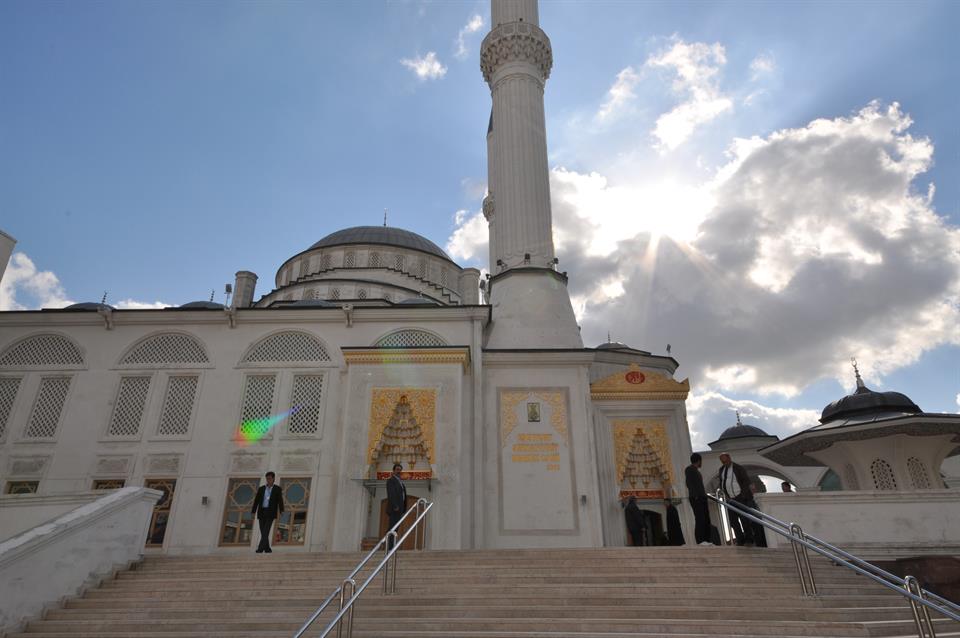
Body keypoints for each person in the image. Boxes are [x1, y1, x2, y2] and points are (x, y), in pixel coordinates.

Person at [717, 453, 755, 546]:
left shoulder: (738, 468)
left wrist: (743, 495)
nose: (724, 463)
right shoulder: (721, 470)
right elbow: (722, 482)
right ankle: (740, 539)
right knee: (733, 521)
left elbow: (746, 481)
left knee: (744, 519)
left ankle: (749, 540)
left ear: (729, 458)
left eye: (725, 461)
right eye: (722, 462)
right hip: (729, 499)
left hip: (740, 497)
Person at [251, 471, 284, 553]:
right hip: (261, 512)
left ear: (273, 479)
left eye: (269, 478)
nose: (268, 480)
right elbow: (256, 501)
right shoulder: (261, 489)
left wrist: (281, 510)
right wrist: (253, 511)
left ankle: (260, 548)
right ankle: (267, 548)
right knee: (263, 532)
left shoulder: (277, 489)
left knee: (266, 531)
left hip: (271, 513)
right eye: (267, 479)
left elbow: (280, 500)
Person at [685, 452, 711, 545]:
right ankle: (701, 541)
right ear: (699, 460)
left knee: (706, 519)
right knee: (700, 519)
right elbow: (689, 483)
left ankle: (707, 540)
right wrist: (695, 496)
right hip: (696, 498)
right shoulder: (689, 469)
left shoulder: (696, 471)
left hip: (701, 498)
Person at [386, 463, 407, 549]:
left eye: (400, 470)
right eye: (397, 469)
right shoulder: (391, 480)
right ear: (394, 470)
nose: (399, 471)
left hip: (400, 509)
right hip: (395, 509)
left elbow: (403, 495)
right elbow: (391, 494)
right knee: (392, 527)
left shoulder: (400, 481)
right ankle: (389, 547)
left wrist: (403, 508)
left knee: (396, 528)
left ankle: (392, 546)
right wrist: (395, 506)